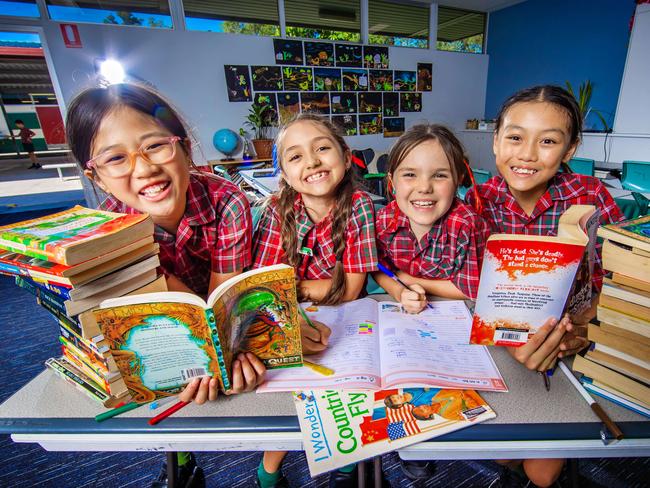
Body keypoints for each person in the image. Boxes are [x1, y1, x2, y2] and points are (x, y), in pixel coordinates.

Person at [65, 83, 265, 488]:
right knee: (161, 378)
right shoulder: (109, 235)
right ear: (98, 178)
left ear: (185, 148)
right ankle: (181, 455)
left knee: (232, 379)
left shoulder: (227, 201)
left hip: (214, 306)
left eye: (155, 146)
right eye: (116, 158)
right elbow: (148, 313)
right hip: (161, 328)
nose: (143, 169)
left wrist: (223, 348)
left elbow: (220, 308)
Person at [466, 85, 625, 488]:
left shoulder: (590, 195)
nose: (527, 154)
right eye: (515, 137)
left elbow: (623, 279)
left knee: (543, 472)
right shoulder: (476, 201)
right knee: (498, 450)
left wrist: (583, 329)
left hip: (575, 343)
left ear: (569, 150)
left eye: (549, 141)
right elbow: (466, 286)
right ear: (497, 138)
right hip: (499, 346)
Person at [251, 113, 378, 488]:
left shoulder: (360, 206)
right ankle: (269, 468)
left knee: (348, 392)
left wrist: (300, 285)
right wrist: (309, 289)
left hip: (349, 318)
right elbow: (267, 287)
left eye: (323, 148)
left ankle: (346, 458)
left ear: (344, 153)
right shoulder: (277, 209)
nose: (312, 161)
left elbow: (351, 290)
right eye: (295, 156)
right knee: (292, 399)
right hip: (287, 317)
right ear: (285, 174)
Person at [373, 123, 490, 314]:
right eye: (410, 174)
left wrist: (408, 279)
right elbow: (377, 268)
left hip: (455, 315)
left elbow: (471, 289)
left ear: (458, 179)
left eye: (439, 175)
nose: (424, 187)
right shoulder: (384, 220)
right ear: (392, 181)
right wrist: (399, 291)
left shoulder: (467, 225)